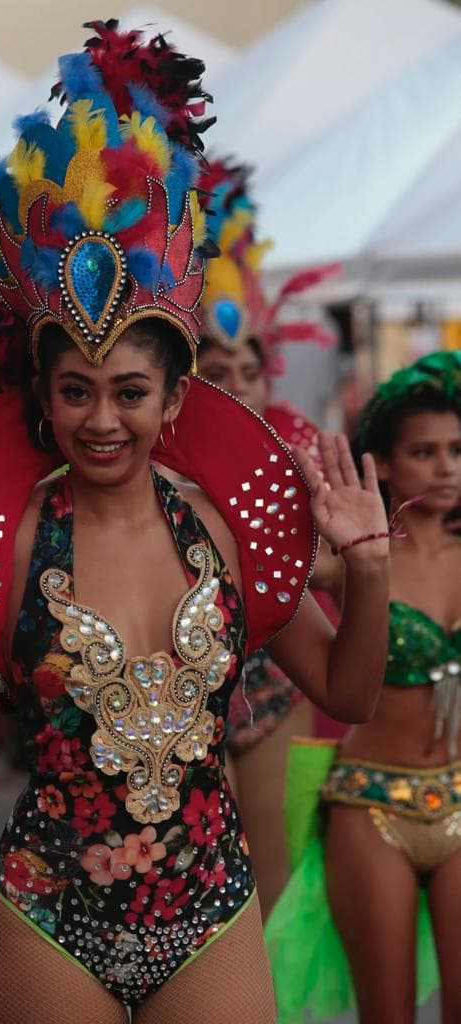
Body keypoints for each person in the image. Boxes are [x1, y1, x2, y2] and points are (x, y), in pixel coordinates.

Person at [0, 21, 390, 1024]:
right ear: (42, 395)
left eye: (127, 392)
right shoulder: (3, 544)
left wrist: (363, 574)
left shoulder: (230, 530)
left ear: (173, 396)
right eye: (75, 390)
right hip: (48, 914)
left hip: (209, 913)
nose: (101, 419)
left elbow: (347, 689)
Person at [265, 350, 461, 1024]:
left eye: (458, 450)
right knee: (389, 1014)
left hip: (459, 796)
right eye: (423, 451)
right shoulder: (359, 552)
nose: (445, 467)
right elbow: (275, 565)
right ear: (382, 461)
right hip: (368, 805)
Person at [194, 156, 342, 916]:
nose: (233, 383)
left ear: (264, 377)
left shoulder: (302, 464)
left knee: (270, 879)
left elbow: (341, 579)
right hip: (172, 695)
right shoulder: (145, 469)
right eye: (212, 369)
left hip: (270, 687)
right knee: (195, 889)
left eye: (244, 370)